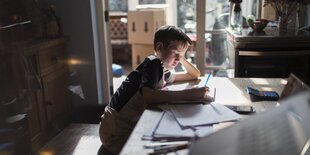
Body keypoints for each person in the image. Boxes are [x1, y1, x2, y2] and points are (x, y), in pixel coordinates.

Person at [99, 25, 211, 155]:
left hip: (120, 127)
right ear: (159, 47)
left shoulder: (162, 69)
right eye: (175, 53)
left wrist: (181, 55)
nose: (178, 59)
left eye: (181, 56)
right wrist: (190, 94)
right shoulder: (153, 64)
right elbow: (149, 96)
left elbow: (194, 74)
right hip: (115, 133)